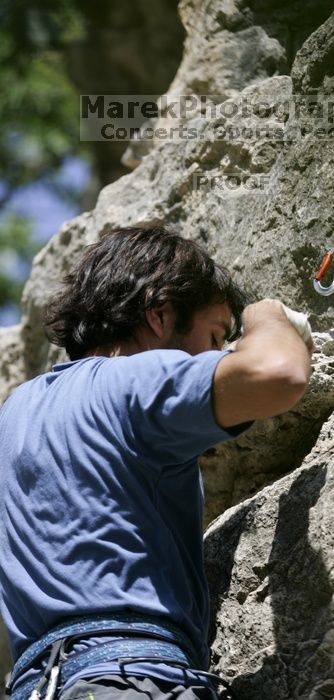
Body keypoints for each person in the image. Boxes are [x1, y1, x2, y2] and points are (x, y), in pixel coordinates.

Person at [0, 226, 313, 700]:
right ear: (160, 313)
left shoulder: (17, 411)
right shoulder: (132, 380)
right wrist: (265, 318)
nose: (216, 357)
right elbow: (278, 374)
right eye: (213, 337)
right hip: (130, 680)